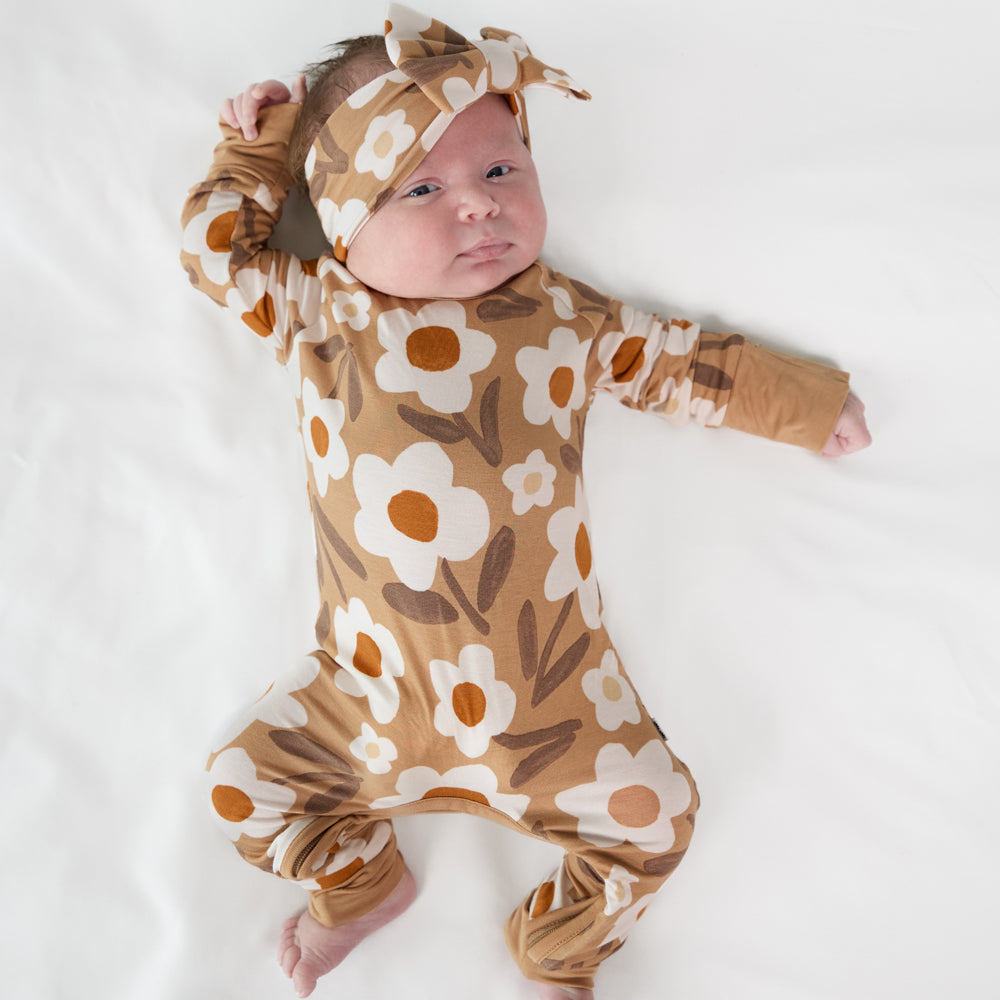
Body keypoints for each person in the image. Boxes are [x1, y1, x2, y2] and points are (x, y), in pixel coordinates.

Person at [180, 5, 872, 999]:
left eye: (501, 169)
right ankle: (361, 882)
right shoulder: (320, 312)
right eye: (419, 187)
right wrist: (257, 148)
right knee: (239, 784)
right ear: (339, 223)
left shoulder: (559, 318)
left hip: (554, 711)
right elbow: (217, 252)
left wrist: (803, 403)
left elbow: (680, 360)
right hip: (365, 702)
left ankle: (558, 946)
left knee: (659, 819)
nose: (477, 206)